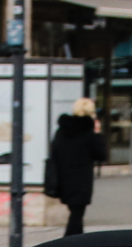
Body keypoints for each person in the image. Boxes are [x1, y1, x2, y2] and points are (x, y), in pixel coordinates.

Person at [44, 97, 108, 236]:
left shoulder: (62, 130)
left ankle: (77, 240)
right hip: (81, 180)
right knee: (77, 214)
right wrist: (97, 134)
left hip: (63, 178)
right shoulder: (88, 133)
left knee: (76, 212)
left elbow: (54, 152)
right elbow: (101, 155)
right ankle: (69, 242)